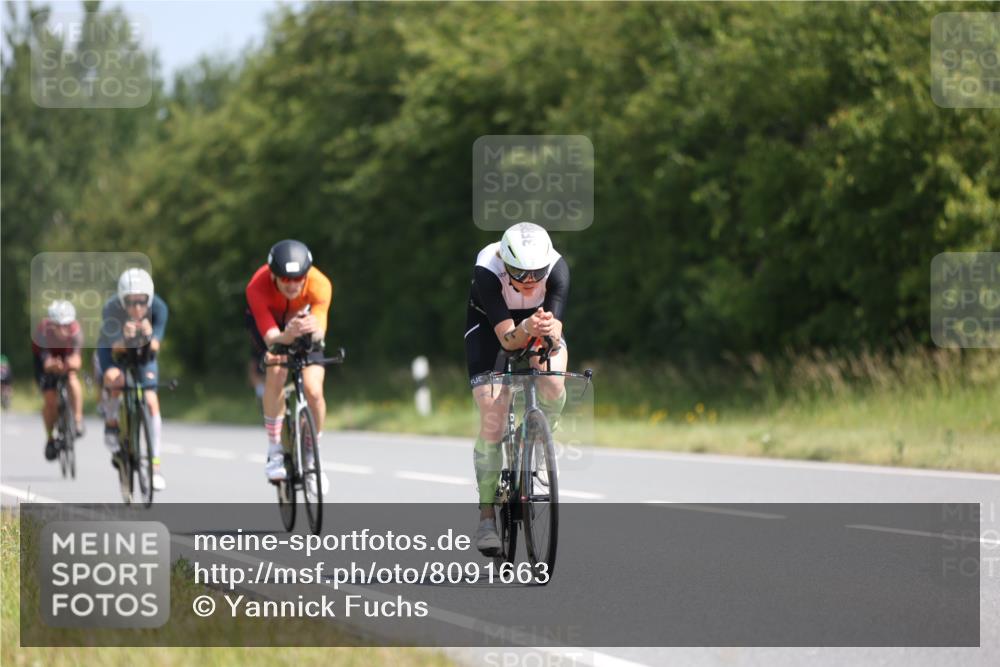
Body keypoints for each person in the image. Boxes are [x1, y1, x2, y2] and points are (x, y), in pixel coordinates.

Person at [465, 222, 570, 555]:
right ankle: (486, 517)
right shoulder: (487, 269)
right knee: (493, 418)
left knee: (553, 381)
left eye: (535, 274)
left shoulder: (557, 269)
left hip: (535, 323)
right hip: (491, 327)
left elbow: (553, 337)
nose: (529, 281)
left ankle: (541, 433)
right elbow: (508, 340)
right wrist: (526, 326)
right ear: (503, 261)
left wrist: (550, 335)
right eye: (519, 273)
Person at [245, 240, 332, 489]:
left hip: (304, 326)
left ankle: (312, 456)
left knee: (314, 390)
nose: (292, 284)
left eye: (298, 278)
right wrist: (287, 335)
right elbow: (272, 339)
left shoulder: (320, 284)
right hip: (271, 328)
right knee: (277, 372)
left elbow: (320, 334)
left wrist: (311, 329)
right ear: (273, 275)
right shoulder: (257, 286)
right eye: (285, 279)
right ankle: (274, 450)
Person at [96, 268, 169, 490]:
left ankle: (155, 466)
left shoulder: (158, 307)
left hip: (144, 353)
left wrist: (146, 337)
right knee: (115, 381)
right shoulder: (111, 309)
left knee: (150, 399)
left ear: (149, 298)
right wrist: (125, 338)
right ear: (121, 300)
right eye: (130, 302)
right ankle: (111, 420)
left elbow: (155, 344)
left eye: (141, 302)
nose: (136, 308)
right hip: (114, 350)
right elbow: (113, 346)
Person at [31, 301, 85, 460]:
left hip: (66, 358)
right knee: (50, 400)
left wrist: (70, 364)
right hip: (46, 361)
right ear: (51, 324)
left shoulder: (76, 331)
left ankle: (77, 419)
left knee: (73, 379)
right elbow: (46, 362)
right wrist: (52, 365)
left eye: (66, 325)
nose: (62, 329)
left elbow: (77, 360)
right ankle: (49, 438)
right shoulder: (42, 331)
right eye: (58, 325)